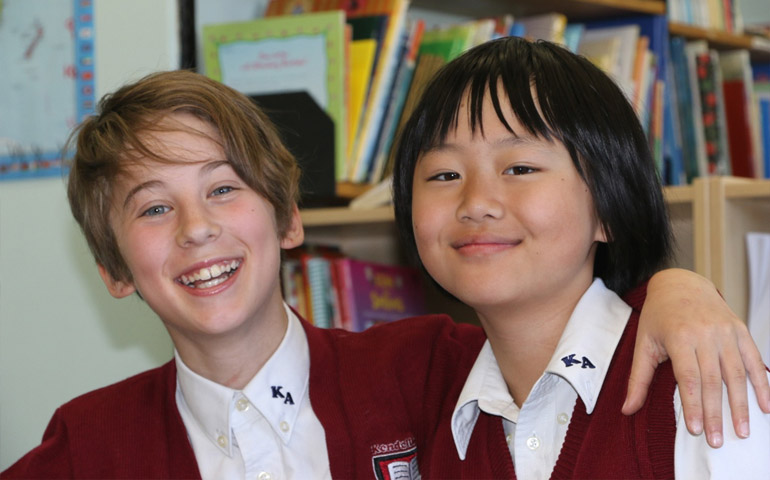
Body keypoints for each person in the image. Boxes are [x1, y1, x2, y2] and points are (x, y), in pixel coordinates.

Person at [0, 69, 766, 479]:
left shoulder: (429, 374)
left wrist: (674, 287)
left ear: (289, 218)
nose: (196, 227)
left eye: (224, 189)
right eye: (153, 208)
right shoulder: (89, 446)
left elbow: (555, 324)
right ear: (114, 269)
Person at [391, 36, 770, 478]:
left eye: (520, 168)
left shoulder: (702, 386)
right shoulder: (421, 398)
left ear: (609, 206)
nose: (475, 203)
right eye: (444, 174)